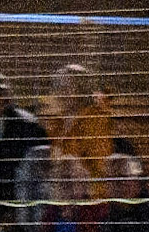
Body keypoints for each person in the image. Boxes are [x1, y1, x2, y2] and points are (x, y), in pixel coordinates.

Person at [0, 70, 50, 232]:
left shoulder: (26, 126)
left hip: (18, 221)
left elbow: (40, 176)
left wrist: (16, 213)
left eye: (1, 93)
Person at [47, 63, 115, 192]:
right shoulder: (58, 122)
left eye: (67, 87)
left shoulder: (95, 120)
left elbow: (100, 169)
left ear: (82, 90)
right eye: (59, 87)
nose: (61, 93)